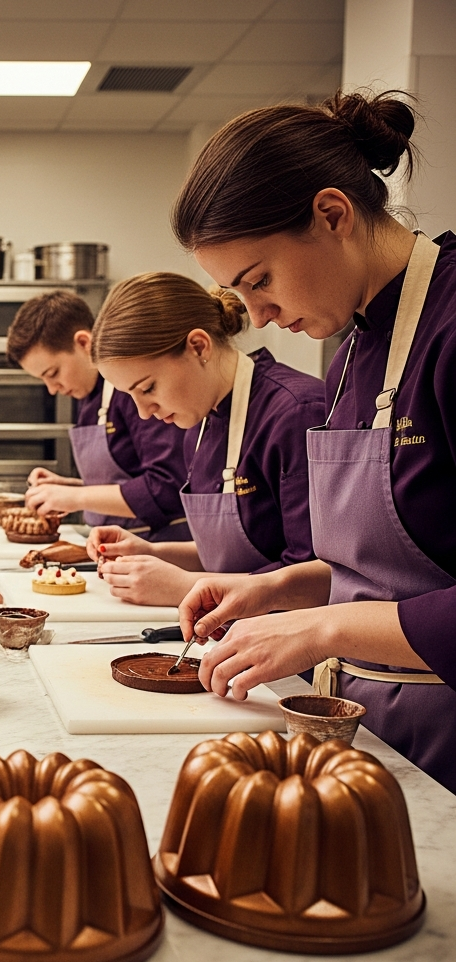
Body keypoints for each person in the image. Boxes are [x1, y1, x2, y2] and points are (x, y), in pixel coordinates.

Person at [168, 90, 456, 793]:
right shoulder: (354, 349)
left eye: (259, 281)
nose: (260, 315)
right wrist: (277, 588)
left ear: (332, 215)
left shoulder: (449, 328)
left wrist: (323, 630)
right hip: (375, 733)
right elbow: (393, 568)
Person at [85, 273, 324, 608]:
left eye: (148, 388)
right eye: (130, 396)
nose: (143, 412)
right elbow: (231, 556)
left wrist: (187, 585)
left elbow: (318, 578)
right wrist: (151, 552)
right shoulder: (199, 426)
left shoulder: (296, 414)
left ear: (198, 346)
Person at [6, 290, 190, 540]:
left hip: (160, 545)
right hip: (113, 545)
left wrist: (76, 497)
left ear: (83, 343)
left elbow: (167, 487)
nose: (52, 389)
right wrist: (67, 488)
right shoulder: (90, 399)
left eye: (53, 373)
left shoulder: (132, 391)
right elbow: (127, 481)